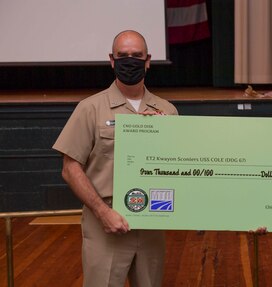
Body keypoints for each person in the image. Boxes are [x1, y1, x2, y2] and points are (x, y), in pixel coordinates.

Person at [53, 30, 178, 287]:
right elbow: (70, 168)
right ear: (112, 60)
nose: (129, 60)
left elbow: (179, 167)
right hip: (105, 224)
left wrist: (166, 136)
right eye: (123, 56)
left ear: (148, 60)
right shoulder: (90, 108)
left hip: (152, 222)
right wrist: (102, 212)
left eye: (136, 55)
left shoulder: (167, 110)